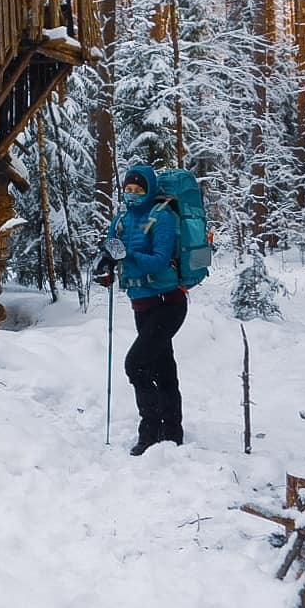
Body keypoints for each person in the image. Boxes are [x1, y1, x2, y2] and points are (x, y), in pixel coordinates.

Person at [95, 165, 187, 456]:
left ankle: (149, 432)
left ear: (149, 191)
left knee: (136, 364)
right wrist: (106, 267)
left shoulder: (163, 217)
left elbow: (160, 261)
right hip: (142, 305)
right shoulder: (121, 219)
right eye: (129, 190)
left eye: (139, 190)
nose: (132, 195)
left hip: (168, 303)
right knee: (162, 367)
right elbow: (111, 251)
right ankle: (171, 432)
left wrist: (127, 254)